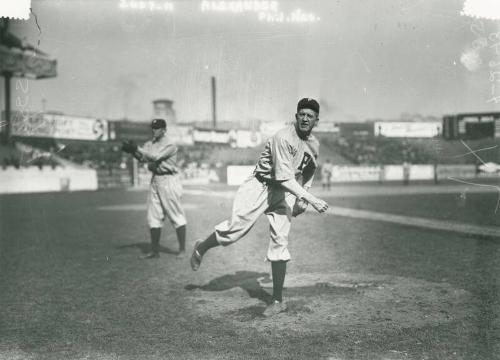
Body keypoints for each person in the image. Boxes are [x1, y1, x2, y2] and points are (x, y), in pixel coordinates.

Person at [190, 98, 329, 317]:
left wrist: (303, 195)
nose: (304, 118)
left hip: (284, 192)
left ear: (316, 121)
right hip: (260, 186)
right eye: (301, 114)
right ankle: (202, 247)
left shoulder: (314, 144)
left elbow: (310, 169)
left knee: (280, 241)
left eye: (309, 115)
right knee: (234, 231)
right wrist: (310, 198)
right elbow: (283, 178)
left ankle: (277, 300)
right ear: (296, 116)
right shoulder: (283, 137)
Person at [122, 118, 187, 259]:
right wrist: (133, 152)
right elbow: (144, 159)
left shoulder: (170, 144)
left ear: (164, 129)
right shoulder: (150, 143)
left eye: (157, 128)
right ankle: (155, 251)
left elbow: (156, 157)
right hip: (156, 179)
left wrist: (136, 148)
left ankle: (182, 250)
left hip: (169, 179)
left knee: (176, 214)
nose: (154, 130)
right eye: (153, 127)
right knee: (153, 216)